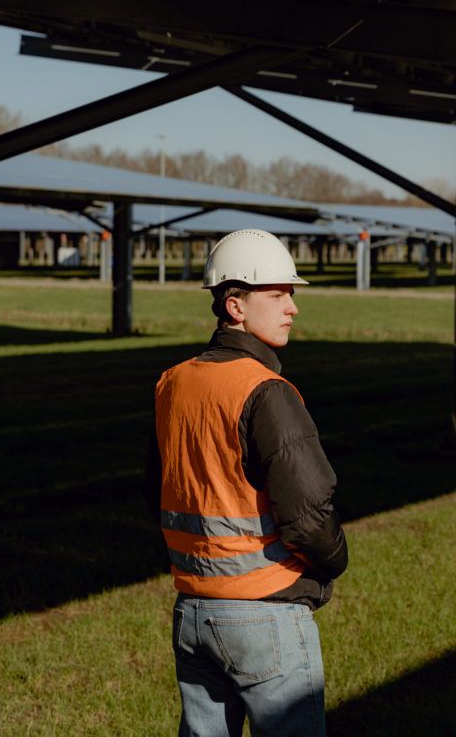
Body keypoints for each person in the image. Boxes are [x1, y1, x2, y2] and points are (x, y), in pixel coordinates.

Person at [144, 229, 348, 737]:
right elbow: (308, 512)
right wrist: (334, 564)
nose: (292, 308)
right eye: (277, 295)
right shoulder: (265, 390)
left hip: (192, 610)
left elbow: (161, 485)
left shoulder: (172, 381)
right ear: (235, 305)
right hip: (264, 613)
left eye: (291, 295)